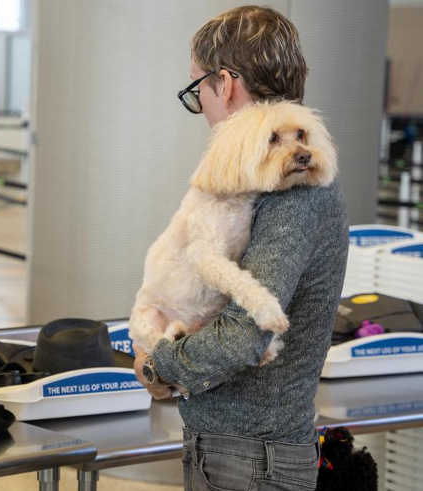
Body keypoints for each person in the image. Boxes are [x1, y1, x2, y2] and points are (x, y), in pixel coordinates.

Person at [132, 6, 348, 491]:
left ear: (225, 83)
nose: (202, 105)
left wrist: (154, 363)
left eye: (198, 88)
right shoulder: (259, 177)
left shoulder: (293, 188)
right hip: (238, 448)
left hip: (253, 459)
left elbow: (245, 336)